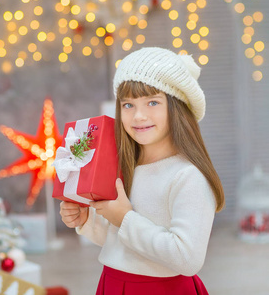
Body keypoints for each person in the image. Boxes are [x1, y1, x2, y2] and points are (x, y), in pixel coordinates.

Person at [59, 47, 225, 295]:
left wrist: (125, 218)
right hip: (113, 284)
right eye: (128, 104)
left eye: (153, 102)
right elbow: (126, 243)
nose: (138, 115)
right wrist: (88, 222)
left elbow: (187, 258)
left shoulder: (188, 176)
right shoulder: (126, 167)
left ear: (178, 108)